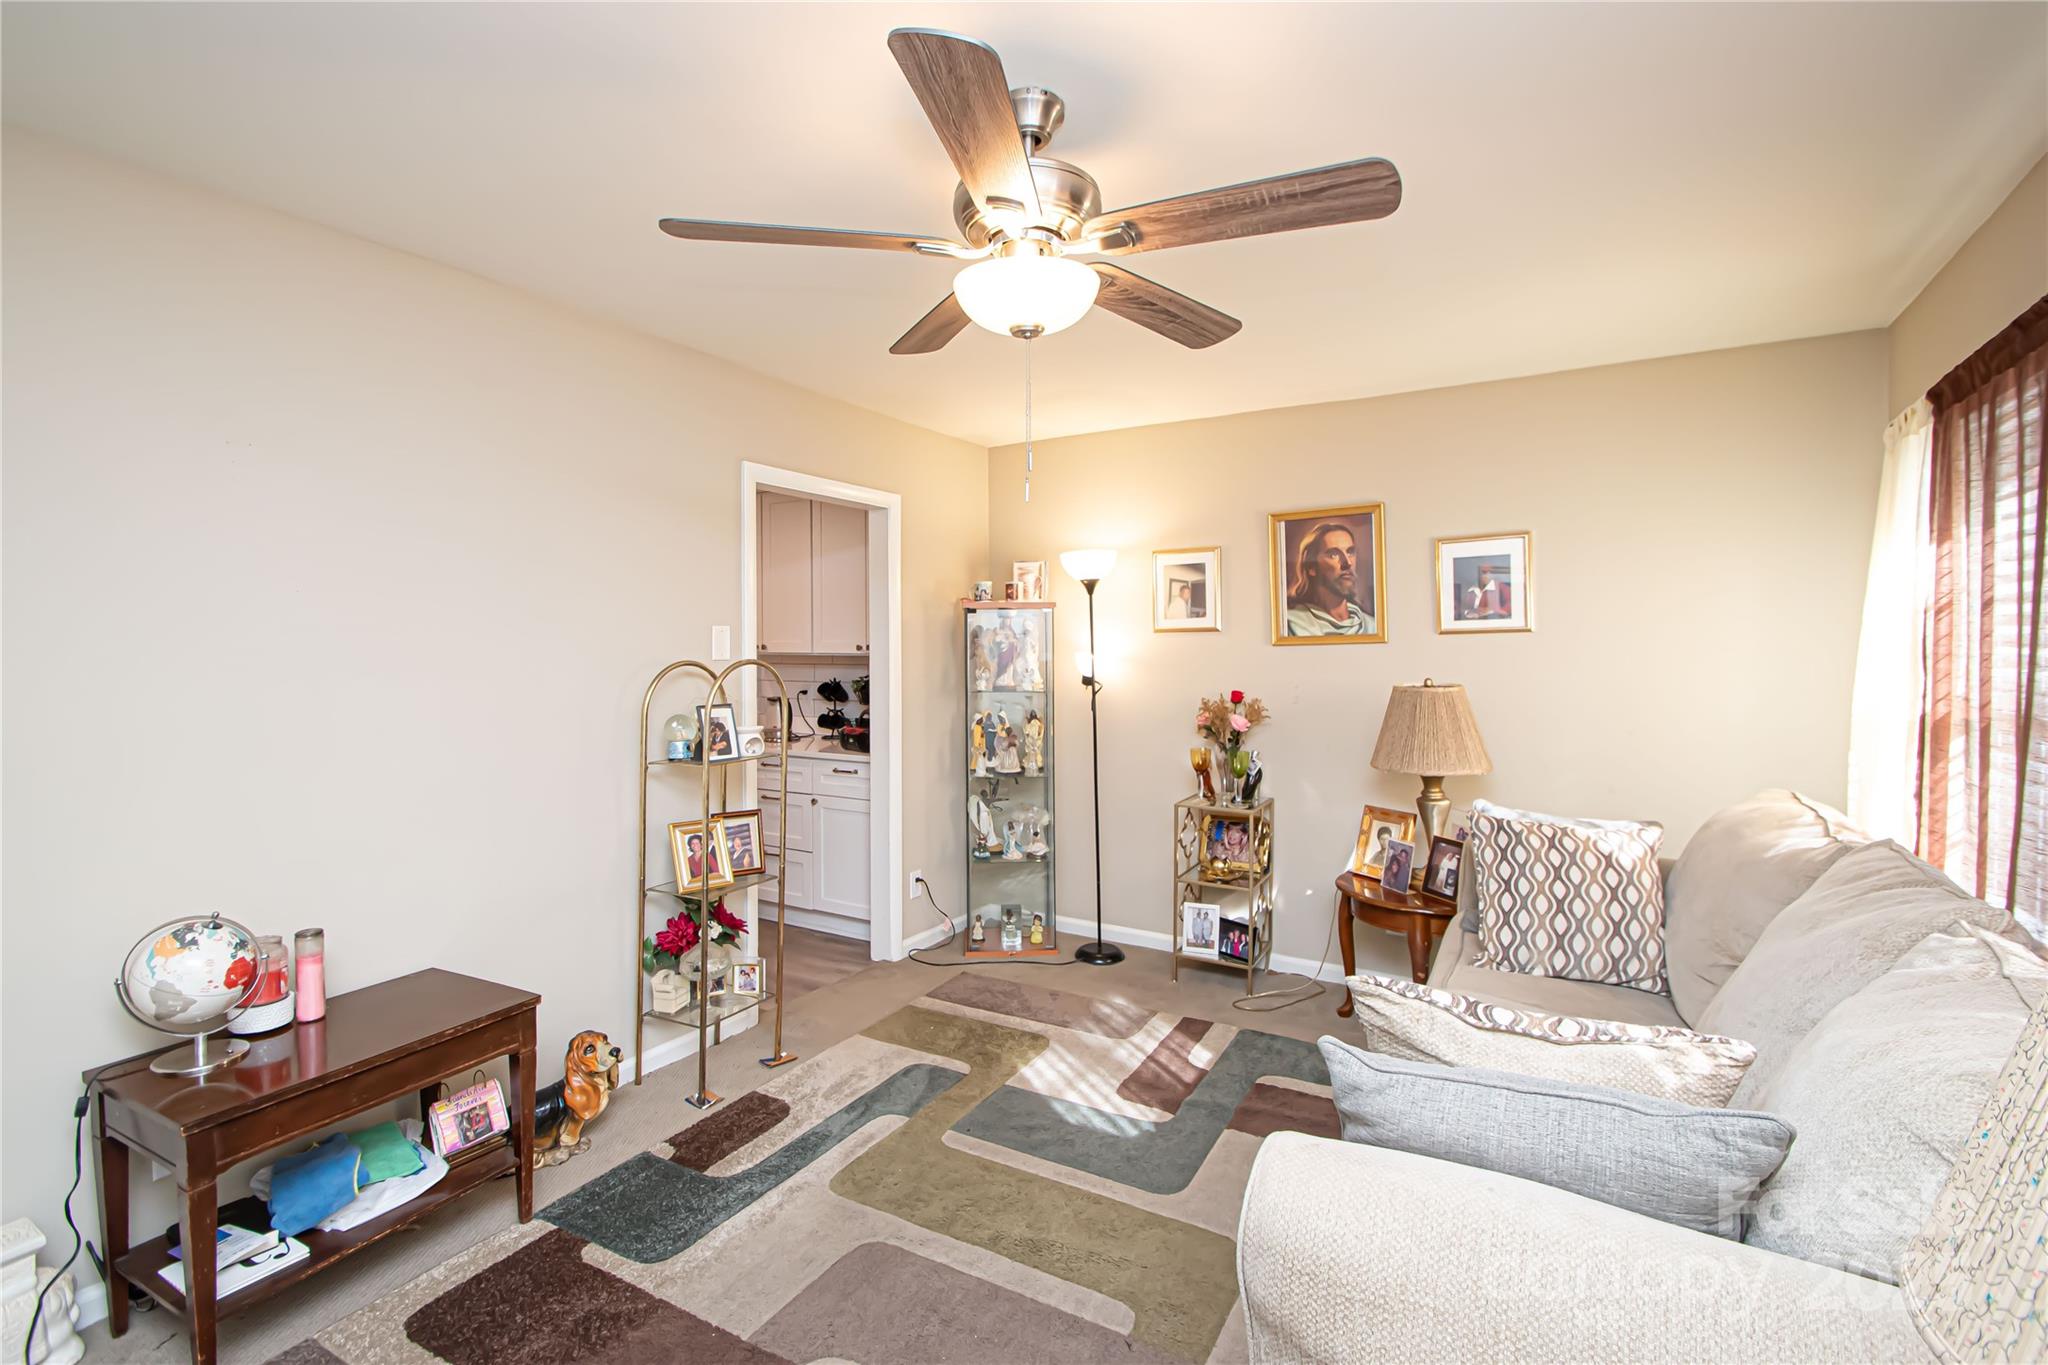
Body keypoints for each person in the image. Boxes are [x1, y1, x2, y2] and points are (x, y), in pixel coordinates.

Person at [1284, 521, 1375, 636]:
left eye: (1350, 552)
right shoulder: (1292, 625)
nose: (1347, 563)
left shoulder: (1371, 626)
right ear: (1311, 567)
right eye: (1333, 555)